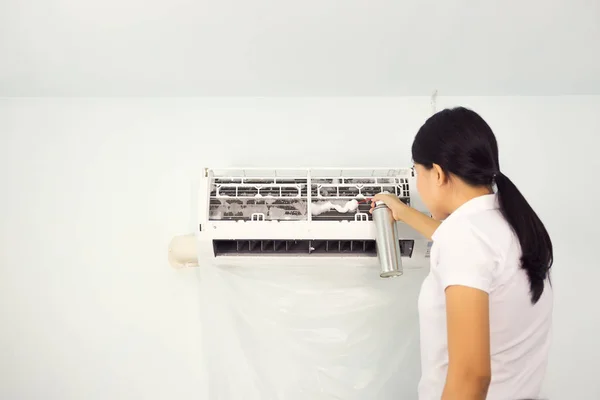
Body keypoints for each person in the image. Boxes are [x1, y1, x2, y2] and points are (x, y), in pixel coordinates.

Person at [370, 107, 553, 400]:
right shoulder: (507, 225)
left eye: (418, 173)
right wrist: (403, 212)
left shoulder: (465, 237)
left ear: (438, 173)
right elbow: (459, 244)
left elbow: (471, 375)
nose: (418, 183)